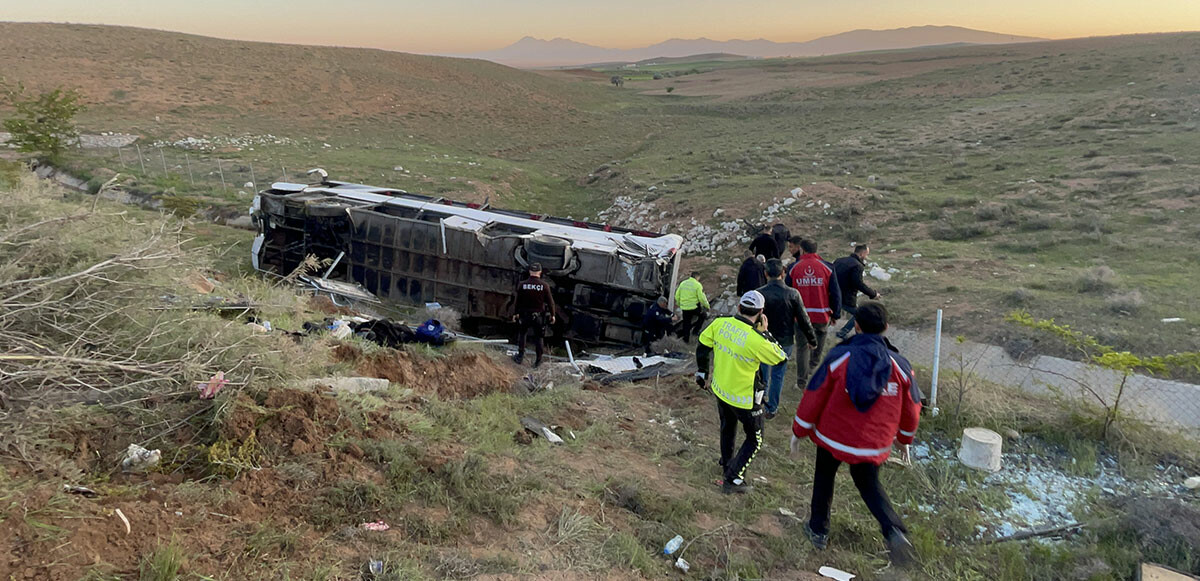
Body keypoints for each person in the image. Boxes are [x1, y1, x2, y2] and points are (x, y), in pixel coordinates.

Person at [790, 302, 921, 566]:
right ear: (886, 327)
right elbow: (913, 408)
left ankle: (818, 531)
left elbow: (815, 395)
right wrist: (904, 440)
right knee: (870, 486)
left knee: (824, 478)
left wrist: (799, 430)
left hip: (833, 437)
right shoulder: (901, 366)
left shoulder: (841, 357)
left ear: (857, 326)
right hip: (873, 444)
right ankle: (893, 530)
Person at [696, 291, 786, 494]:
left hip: (720, 389)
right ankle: (733, 477)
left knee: (727, 427)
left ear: (738, 308)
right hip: (745, 399)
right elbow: (780, 356)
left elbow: (702, 344)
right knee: (755, 438)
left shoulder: (720, 324)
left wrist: (702, 373)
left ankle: (727, 463)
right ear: (761, 312)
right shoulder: (757, 340)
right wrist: (765, 332)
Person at [756, 259, 818, 420]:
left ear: (766, 273)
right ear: (783, 273)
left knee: (763, 371)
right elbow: (804, 319)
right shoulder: (793, 293)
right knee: (778, 374)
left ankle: (760, 400)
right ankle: (772, 407)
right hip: (785, 340)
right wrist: (812, 339)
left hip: (763, 339)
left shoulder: (759, 293)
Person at [789, 239, 842, 386]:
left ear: (802, 250)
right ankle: (813, 366)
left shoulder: (793, 268)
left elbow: (788, 293)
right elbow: (835, 293)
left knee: (802, 347)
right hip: (821, 315)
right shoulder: (828, 268)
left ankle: (801, 381)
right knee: (820, 340)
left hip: (800, 317)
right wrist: (835, 314)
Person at [832, 244, 881, 340]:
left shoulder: (839, 261)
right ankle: (843, 333)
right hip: (846, 297)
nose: (866, 257)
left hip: (833, 294)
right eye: (866, 254)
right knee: (859, 314)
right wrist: (873, 294)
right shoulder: (857, 266)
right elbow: (858, 284)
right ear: (862, 254)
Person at [513, 262, 556, 367]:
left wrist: (516, 313)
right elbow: (550, 302)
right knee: (539, 338)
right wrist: (553, 314)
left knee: (523, 334)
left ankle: (520, 356)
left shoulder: (522, 285)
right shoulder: (544, 286)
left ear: (530, 272)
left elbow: (517, 301)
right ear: (540, 272)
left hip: (525, 315)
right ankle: (538, 361)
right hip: (539, 316)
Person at [674, 271, 710, 343]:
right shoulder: (697, 285)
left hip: (684, 308)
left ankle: (686, 340)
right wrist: (707, 306)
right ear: (697, 277)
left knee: (686, 323)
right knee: (703, 316)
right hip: (694, 307)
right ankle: (695, 331)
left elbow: (677, 296)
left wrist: (680, 304)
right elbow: (701, 298)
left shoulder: (683, 283)